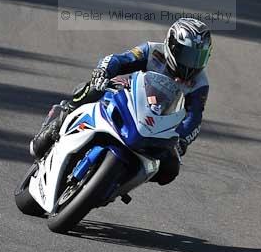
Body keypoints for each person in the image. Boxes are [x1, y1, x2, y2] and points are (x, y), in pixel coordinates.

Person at [30, 18, 212, 185]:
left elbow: (194, 118)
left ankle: (119, 180)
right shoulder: (153, 51)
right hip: (129, 95)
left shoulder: (200, 84)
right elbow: (119, 59)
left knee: (170, 170)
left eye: (199, 57)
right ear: (173, 46)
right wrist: (103, 71)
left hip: (157, 122)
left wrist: (181, 140)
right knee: (93, 89)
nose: (192, 64)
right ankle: (60, 122)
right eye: (188, 55)